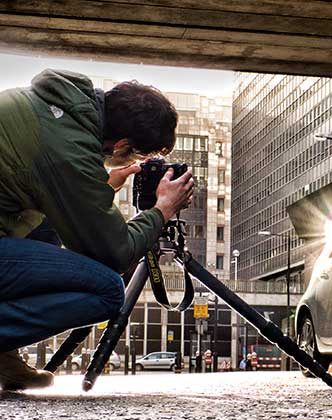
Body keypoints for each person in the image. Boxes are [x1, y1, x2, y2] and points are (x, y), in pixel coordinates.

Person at [0, 69, 194, 391]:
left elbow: (49, 188)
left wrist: (97, 189)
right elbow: (114, 253)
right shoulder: (69, 153)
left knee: (48, 227)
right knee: (106, 289)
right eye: (138, 155)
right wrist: (162, 210)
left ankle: (3, 356)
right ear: (121, 144)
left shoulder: (56, 106)